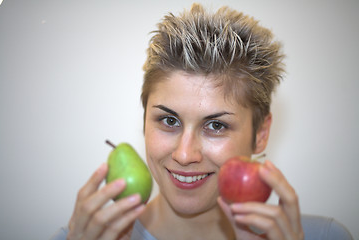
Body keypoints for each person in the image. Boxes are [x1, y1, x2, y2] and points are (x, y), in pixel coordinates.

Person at [51, 3, 353, 240]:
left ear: (260, 134)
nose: (184, 155)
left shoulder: (324, 236)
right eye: (169, 120)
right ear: (143, 122)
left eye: (216, 125)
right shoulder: (81, 238)